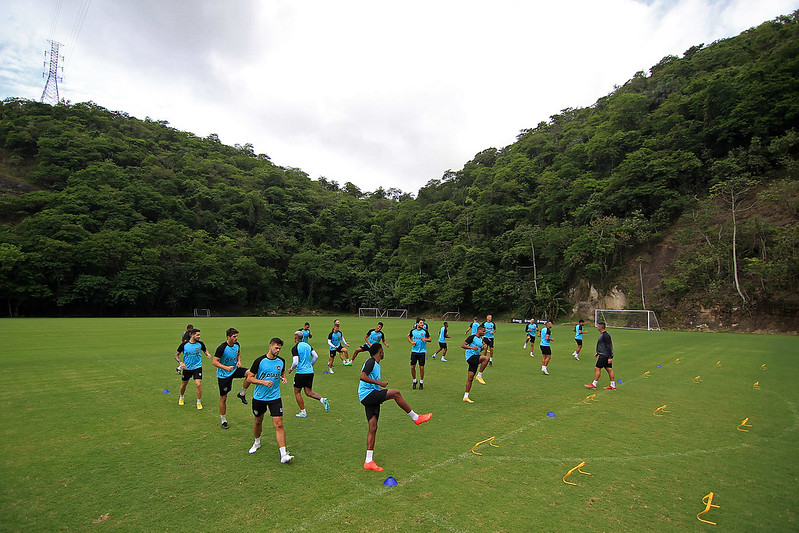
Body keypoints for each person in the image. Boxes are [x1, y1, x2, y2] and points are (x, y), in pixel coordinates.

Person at [358, 343, 432, 471]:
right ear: (380, 351)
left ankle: (368, 461)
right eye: (382, 351)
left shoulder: (376, 365)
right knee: (396, 393)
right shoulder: (371, 362)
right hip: (367, 395)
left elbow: (369, 381)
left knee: (373, 426)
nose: (383, 353)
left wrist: (378, 387)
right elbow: (362, 376)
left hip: (370, 395)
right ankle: (416, 418)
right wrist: (379, 383)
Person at [245, 338, 294, 463]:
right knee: (258, 421)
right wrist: (262, 382)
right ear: (270, 346)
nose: (277, 350)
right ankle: (257, 442)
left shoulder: (281, 361)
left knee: (279, 424)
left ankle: (283, 454)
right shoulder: (259, 361)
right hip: (259, 397)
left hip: (275, 397)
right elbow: (249, 378)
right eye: (276, 348)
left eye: (279, 349)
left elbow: (282, 373)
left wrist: (284, 378)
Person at [212, 327, 251, 429]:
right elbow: (214, 362)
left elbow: (238, 354)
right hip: (224, 374)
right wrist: (226, 368)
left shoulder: (237, 345)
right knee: (223, 398)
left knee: (250, 374)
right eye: (234, 336)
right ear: (228, 337)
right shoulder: (221, 348)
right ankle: (223, 420)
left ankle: (242, 393)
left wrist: (239, 361)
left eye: (237, 336)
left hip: (234, 369)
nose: (236, 338)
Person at [288, 331, 329, 418]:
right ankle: (322, 399)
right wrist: (310, 365)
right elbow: (316, 356)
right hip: (310, 372)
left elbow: (295, 362)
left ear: (295, 338)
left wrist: (291, 369)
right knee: (308, 392)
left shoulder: (295, 348)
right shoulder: (308, 346)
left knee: (297, 391)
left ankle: (303, 412)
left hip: (301, 373)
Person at [174, 328, 212, 409]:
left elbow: (205, 350)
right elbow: (176, 355)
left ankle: (198, 402)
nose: (199, 336)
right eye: (197, 335)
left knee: (198, 384)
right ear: (192, 335)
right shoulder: (184, 345)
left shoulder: (200, 344)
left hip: (197, 367)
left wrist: (207, 354)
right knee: (184, 384)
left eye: (199, 335)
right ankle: (181, 397)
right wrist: (180, 362)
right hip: (187, 368)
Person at [461, 324, 490, 403]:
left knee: (470, 378)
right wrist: (471, 347)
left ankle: (466, 396)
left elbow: (478, 350)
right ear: (479, 330)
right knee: (486, 358)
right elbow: (463, 345)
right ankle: (479, 375)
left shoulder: (481, 339)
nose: (484, 332)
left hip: (475, 358)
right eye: (483, 331)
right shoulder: (472, 337)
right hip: (470, 357)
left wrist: (483, 348)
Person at [585, 322, 616, 390]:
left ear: (600, 327)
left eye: (598, 326)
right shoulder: (603, 335)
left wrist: (610, 357)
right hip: (604, 354)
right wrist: (598, 352)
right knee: (609, 369)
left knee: (597, 368)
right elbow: (603, 346)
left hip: (604, 355)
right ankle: (613, 385)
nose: (597, 327)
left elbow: (609, 346)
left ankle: (594, 384)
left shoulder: (605, 335)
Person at [408, 318, 432, 389]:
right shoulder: (413, 331)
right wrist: (411, 342)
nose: (422, 324)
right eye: (421, 323)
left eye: (423, 323)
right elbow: (409, 337)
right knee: (412, 367)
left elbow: (430, 339)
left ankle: (421, 382)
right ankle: (414, 381)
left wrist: (426, 339)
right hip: (414, 351)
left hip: (422, 352)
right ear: (417, 324)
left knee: (421, 368)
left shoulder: (424, 331)